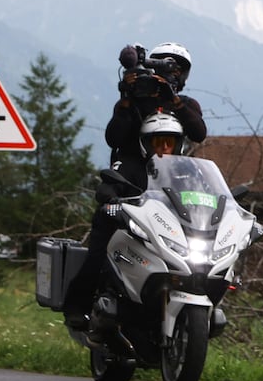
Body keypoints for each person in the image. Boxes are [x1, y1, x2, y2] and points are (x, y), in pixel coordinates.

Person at [61, 43, 207, 330]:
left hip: (172, 181)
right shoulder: (135, 98)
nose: (172, 73)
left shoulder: (186, 104)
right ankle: (77, 305)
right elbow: (114, 138)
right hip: (129, 179)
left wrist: (172, 99)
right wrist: (127, 97)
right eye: (167, 66)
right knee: (101, 246)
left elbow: (198, 133)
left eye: (177, 68)